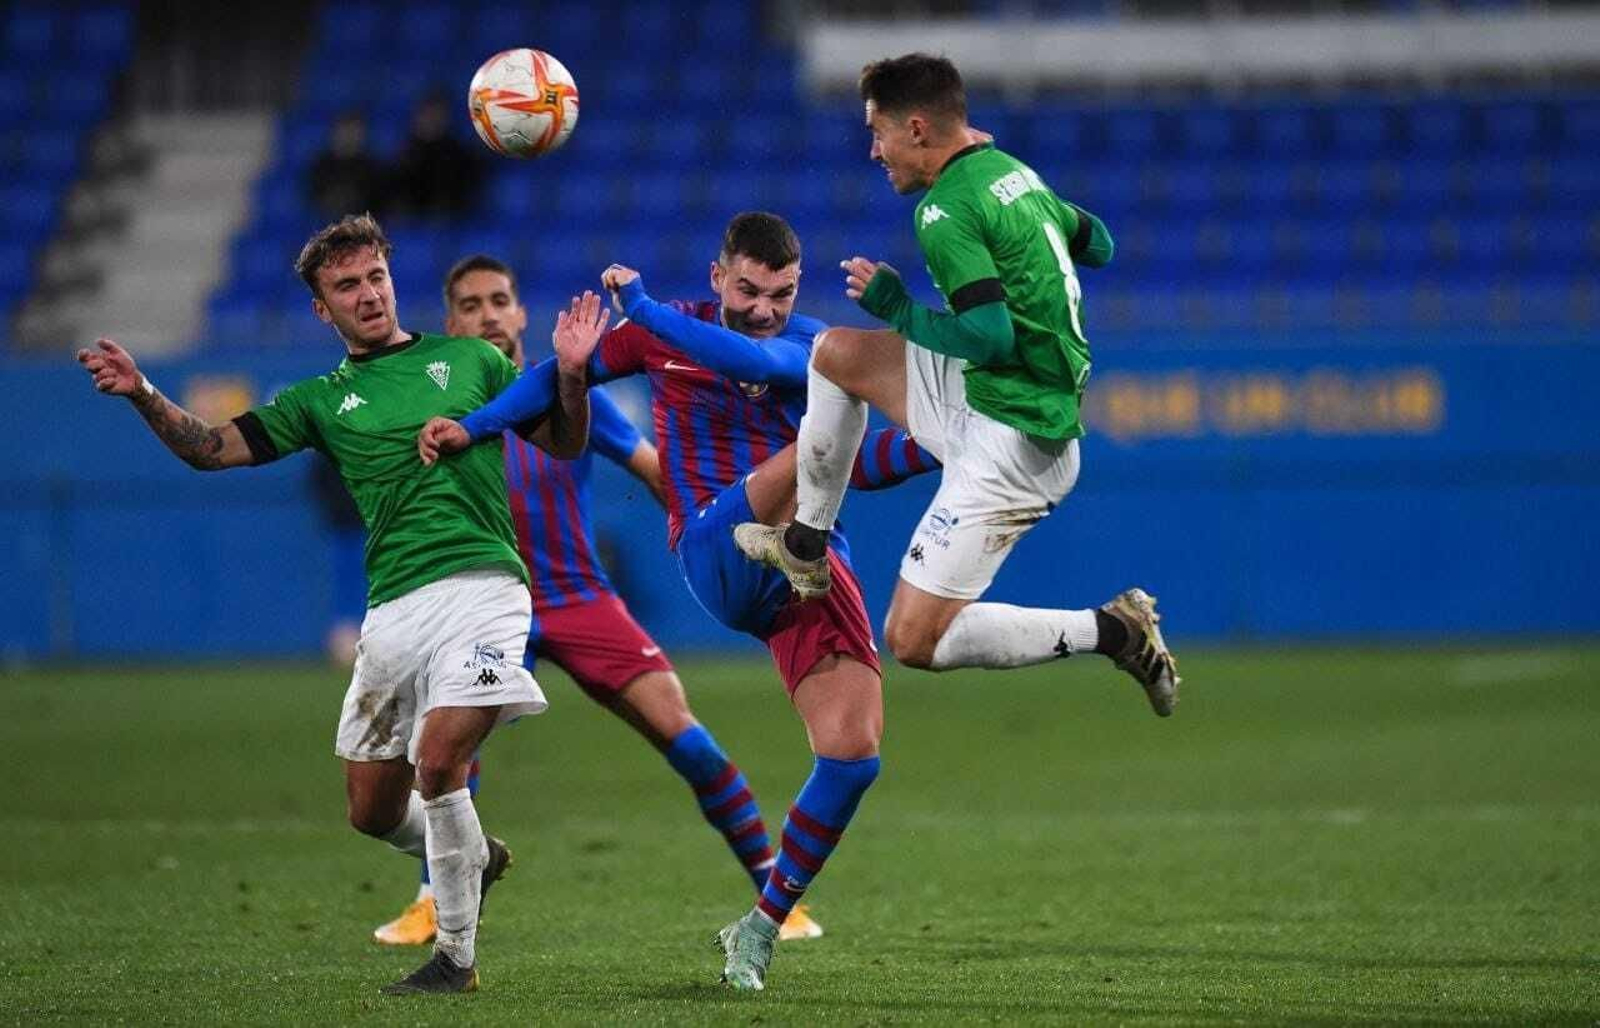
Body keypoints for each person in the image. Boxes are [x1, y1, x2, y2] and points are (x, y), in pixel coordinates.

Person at [76, 213, 607, 996]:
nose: (367, 295)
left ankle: (455, 959)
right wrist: (143, 392)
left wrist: (570, 374)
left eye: (376, 278)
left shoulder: (469, 360)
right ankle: (473, 855)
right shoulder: (319, 400)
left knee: (440, 759)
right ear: (323, 309)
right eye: (347, 286)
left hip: (486, 588)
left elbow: (563, 442)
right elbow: (209, 449)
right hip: (394, 609)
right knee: (370, 810)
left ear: (394, 279)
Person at [416, 212, 937, 992]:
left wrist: (949, 444)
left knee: (854, 754)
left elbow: (781, 385)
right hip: (714, 543)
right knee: (831, 425)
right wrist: (476, 424)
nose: (766, 307)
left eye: (783, 293)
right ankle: (436, 891)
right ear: (719, 274)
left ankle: (758, 927)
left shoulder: (802, 343)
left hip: (810, 560)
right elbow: (556, 384)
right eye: (750, 289)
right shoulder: (671, 336)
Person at [372, 253, 824, 947]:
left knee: (686, 737)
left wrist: (721, 534)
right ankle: (434, 899)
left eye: (500, 300)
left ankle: (775, 894)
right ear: (451, 321)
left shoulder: (571, 390)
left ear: (522, 314)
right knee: (450, 754)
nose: (489, 314)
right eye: (471, 304)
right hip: (489, 604)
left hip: (580, 596)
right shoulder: (441, 412)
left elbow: (653, 470)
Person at [733, 54, 1181, 713]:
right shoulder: (1013, 174)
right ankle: (805, 544)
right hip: (986, 392)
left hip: (1018, 441)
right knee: (833, 354)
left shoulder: (943, 210)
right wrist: (1025, 208)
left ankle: (1116, 630)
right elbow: (1103, 245)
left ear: (916, 129)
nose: (873, 151)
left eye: (878, 132)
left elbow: (992, 334)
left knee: (913, 640)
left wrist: (897, 309)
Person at [306, 110, 384, 220]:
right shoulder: (322, 165)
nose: (349, 136)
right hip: (326, 221)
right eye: (346, 130)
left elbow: (377, 202)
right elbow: (312, 197)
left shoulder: (372, 167)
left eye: (354, 132)